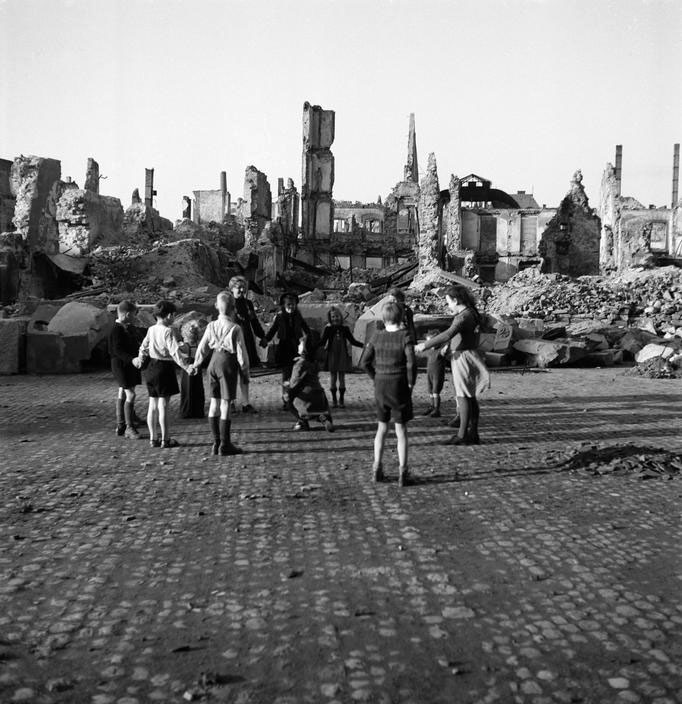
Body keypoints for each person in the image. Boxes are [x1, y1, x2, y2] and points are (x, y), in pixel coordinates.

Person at [415, 285, 489, 445]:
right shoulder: (472, 313)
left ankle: (462, 435)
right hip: (470, 354)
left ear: (455, 300)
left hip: (462, 357)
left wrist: (425, 345)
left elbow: (449, 333)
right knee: (470, 396)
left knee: (462, 396)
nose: (448, 306)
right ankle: (473, 433)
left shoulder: (463, 316)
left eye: (448, 302)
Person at [361, 301, 417, 487]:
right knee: (401, 431)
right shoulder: (405, 336)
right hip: (399, 384)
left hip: (381, 385)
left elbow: (365, 362)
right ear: (401, 317)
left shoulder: (376, 336)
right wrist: (410, 382)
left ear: (383, 318)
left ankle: (377, 467)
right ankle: (403, 471)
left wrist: (375, 377)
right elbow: (411, 362)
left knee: (381, 428)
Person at [192, 292, 249, 456]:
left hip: (213, 363)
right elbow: (241, 354)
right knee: (225, 404)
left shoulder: (211, 326)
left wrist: (196, 364)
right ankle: (225, 444)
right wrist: (244, 371)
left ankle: (215, 442)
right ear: (233, 308)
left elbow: (203, 348)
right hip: (227, 363)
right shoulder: (235, 328)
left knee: (214, 403)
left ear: (217, 306)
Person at [133, 300, 194, 449]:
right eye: (173, 315)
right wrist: (186, 367)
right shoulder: (168, 331)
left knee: (152, 405)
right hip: (164, 368)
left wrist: (140, 359)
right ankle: (165, 439)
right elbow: (174, 352)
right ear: (167, 316)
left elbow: (144, 347)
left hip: (151, 368)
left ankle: (153, 438)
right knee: (163, 406)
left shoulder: (151, 329)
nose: (174, 318)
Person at [260, 292, 310, 410]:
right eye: (288, 304)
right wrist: (266, 339)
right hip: (284, 348)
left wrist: (309, 342)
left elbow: (306, 330)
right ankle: (286, 398)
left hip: (296, 348)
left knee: (297, 375)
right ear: (284, 305)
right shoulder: (280, 316)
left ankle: (296, 398)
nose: (291, 307)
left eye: (293, 304)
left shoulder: (298, 316)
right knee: (286, 375)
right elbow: (273, 330)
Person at [229, 275, 265, 414]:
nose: (242, 290)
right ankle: (231, 401)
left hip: (246, 339)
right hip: (231, 341)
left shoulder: (248, 304)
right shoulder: (228, 303)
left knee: (245, 372)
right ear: (232, 289)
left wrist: (262, 336)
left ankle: (245, 403)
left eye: (244, 287)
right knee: (232, 373)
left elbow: (254, 321)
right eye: (239, 287)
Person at [285, 335, 334, 432]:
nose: (298, 345)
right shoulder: (314, 363)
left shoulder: (300, 364)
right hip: (319, 395)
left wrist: (288, 387)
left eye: (300, 343)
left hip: (306, 396)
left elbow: (295, 382)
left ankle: (302, 422)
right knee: (319, 404)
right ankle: (324, 418)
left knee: (287, 398)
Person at [108, 300, 142, 439]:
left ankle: (121, 423)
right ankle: (129, 426)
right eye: (134, 314)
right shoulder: (116, 330)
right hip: (121, 365)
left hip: (127, 365)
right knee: (130, 394)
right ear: (127, 314)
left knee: (123, 391)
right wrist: (132, 359)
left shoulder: (129, 327)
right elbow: (117, 350)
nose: (135, 317)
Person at [319, 306, 364, 408]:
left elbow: (352, 341)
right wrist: (311, 347)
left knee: (342, 377)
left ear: (341, 317)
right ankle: (334, 399)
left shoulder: (345, 329)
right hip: (332, 355)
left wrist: (363, 345)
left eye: (337, 316)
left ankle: (341, 400)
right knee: (333, 377)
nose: (335, 318)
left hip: (342, 354)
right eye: (333, 316)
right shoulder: (328, 329)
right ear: (330, 318)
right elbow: (322, 341)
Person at [178, 319, 206, 419]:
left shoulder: (183, 345)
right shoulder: (199, 344)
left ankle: (186, 411)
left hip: (187, 368)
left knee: (187, 389)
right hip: (196, 366)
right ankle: (198, 411)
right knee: (198, 388)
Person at [420, 329, 448, 418]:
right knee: (430, 390)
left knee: (436, 391)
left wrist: (445, 341)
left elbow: (446, 347)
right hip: (430, 374)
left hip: (437, 374)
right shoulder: (429, 351)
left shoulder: (440, 350)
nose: (429, 344)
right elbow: (419, 352)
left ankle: (437, 409)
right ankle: (432, 406)